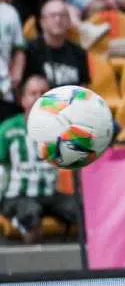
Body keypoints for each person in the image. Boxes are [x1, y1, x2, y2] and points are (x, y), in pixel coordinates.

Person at [0, 75, 81, 243]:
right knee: (30, 212)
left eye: (43, 93)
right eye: (33, 93)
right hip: (17, 196)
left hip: (50, 194)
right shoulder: (8, 130)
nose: (38, 98)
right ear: (23, 100)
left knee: (81, 210)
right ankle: (31, 258)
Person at [26, 0, 89, 88]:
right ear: (42, 22)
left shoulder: (79, 52)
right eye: (53, 16)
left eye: (62, 16)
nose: (58, 20)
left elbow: (84, 87)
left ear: (69, 21)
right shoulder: (30, 50)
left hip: (72, 96)